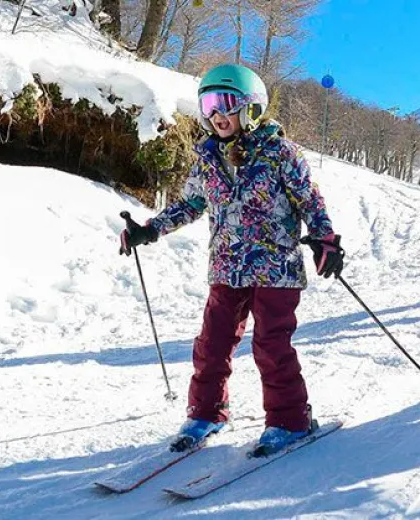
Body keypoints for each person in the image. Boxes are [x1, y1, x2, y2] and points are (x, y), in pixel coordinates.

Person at [118, 64, 344, 454]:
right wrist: (150, 229)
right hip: (226, 267)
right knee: (212, 343)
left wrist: (326, 240)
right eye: (208, 104)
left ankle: (290, 420)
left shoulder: (280, 152)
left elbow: (311, 201)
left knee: (271, 347)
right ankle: (206, 412)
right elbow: (191, 203)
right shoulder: (207, 157)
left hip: (276, 270)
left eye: (226, 103)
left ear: (252, 108)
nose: (216, 114)